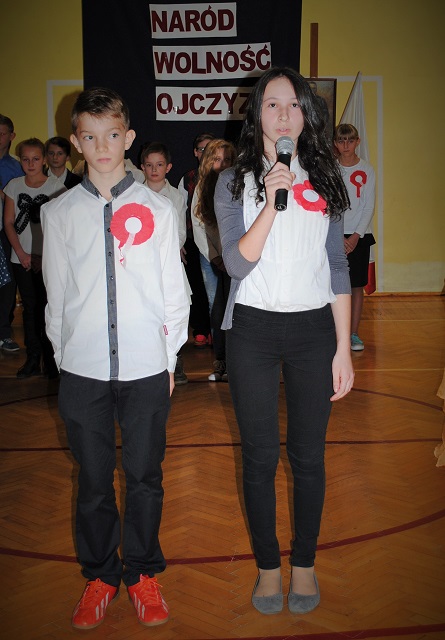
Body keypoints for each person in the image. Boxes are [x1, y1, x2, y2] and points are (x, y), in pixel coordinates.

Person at [41, 87, 189, 630]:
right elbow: (57, 297)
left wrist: (169, 359)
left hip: (147, 367)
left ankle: (143, 571)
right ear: (76, 142)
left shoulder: (159, 209)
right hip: (82, 372)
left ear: (127, 138)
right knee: (95, 480)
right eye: (90, 136)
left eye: (111, 135)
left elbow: (175, 292)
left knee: (145, 475)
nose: (102, 147)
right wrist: (66, 361)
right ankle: (101, 575)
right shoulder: (58, 214)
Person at [214, 66, 355, 615]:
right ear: (257, 115)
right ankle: (269, 568)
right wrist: (273, 198)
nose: (283, 114)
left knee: (308, 457)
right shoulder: (232, 181)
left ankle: (305, 565)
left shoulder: (325, 180)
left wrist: (342, 349)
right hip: (252, 330)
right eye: (272, 104)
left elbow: (337, 268)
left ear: (305, 115)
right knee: (258, 458)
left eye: (294, 104)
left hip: (313, 332)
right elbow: (237, 264)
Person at [3, 137, 65, 378]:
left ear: (44, 160)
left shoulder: (56, 187)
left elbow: (61, 228)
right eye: (25, 159)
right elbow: (9, 222)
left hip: (48, 260)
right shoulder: (14, 185)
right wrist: (21, 253)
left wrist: (44, 256)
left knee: (49, 308)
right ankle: (32, 358)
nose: (30, 164)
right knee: (29, 309)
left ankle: (51, 360)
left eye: (36, 159)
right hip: (22, 259)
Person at [140, 140, 189, 384]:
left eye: (159, 165)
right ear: (142, 167)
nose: (154, 170)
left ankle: (175, 360)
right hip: (142, 262)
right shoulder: (134, 194)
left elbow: (180, 232)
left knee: (174, 308)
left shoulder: (175, 196)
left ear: (168, 167)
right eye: (149, 165)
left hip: (168, 260)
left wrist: (165, 248)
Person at [191, 138, 236, 381]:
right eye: (217, 159)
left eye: (227, 160)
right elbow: (199, 227)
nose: (222, 165)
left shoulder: (238, 185)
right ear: (208, 161)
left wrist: (231, 256)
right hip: (212, 258)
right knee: (216, 309)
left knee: (234, 309)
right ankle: (220, 361)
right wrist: (216, 257)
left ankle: (235, 363)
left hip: (235, 258)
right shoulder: (201, 187)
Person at [334, 123, 376, 351]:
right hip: (335, 234)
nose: (346, 145)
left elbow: (368, 207)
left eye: (350, 140)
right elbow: (328, 203)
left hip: (359, 236)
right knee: (334, 285)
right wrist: (337, 234)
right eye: (341, 141)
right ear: (335, 144)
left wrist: (355, 236)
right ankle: (335, 334)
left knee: (356, 286)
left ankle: (353, 334)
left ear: (357, 142)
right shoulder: (331, 169)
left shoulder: (367, 169)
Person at [178, 133, 215, 348]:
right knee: (197, 286)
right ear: (195, 152)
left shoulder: (224, 175)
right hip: (193, 240)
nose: (206, 152)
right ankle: (201, 329)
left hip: (218, 241)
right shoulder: (188, 178)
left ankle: (217, 333)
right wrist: (180, 241)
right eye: (202, 149)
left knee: (216, 290)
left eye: (210, 148)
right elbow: (180, 210)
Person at [0, 114, 24, 353]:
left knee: (8, 283)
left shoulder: (16, 167)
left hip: (6, 231)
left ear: (11, 136)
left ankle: (4, 333)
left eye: (2, 133)